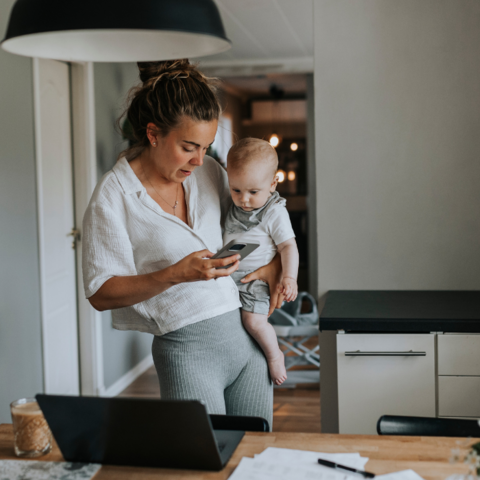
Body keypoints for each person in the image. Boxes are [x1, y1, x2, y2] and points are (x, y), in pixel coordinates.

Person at [82, 59, 284, 430]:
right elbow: (100, 292)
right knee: (203, 465)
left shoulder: (207, 172)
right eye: (189, 146)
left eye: (206, 147)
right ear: (154, 133)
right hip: (187, 353)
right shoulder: (114, 196)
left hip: (247, 344)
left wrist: (273, 266)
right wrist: (174, 275)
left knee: (255, 458)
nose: (199, 159)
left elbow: (254, 221)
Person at [223, 138, 299, 385]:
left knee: (254, 321)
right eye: (236, 190)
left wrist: (289, 277)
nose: (243, 199)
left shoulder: (274, 211)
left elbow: (288, 246)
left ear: (273, 183)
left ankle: (274, 355)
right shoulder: (233, 204)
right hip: (228, 278)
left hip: (255, 281)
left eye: (253, 192)